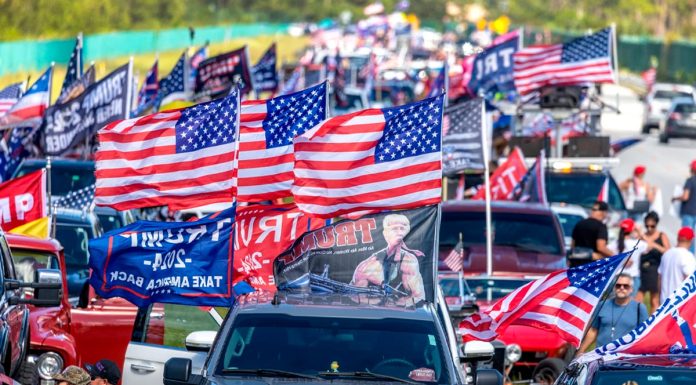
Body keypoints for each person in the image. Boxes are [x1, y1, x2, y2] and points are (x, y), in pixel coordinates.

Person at [351, 214, 426, 304]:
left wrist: (396, 305)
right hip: (372, 314)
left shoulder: (410, 261)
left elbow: (418, 296)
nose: (399, 233)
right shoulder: (367, 265)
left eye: (402, 229)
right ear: (385, 234)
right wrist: (380, 303)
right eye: (394, 229)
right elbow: (355, 298)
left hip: (402, 315)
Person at [578, 273, 648, 353]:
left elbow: (644, 335)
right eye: (618, 285)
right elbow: (593, 331)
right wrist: (581, 350)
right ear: (614, 287)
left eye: (626, 286)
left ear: (631, 289)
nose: (622, 288)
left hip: (625, 357)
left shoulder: (639, 308)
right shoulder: (602, 305)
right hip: (601, 356)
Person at [639, 211, 671, 312]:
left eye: (652, 226)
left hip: (655, 269)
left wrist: (654, 245)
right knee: (638, 300)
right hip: (643, 269)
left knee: (654, 299)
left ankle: (653, 322)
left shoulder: (661, 235)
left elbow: (668, 251)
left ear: (656, 224)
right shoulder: (642, 236)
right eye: (647, 226)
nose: (649, 228)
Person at [608, 218, 647, 300]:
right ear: (632, 229)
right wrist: (639, 232)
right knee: (628, 305)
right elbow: (649, 245)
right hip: (632, 278)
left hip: (616, 277)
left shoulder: (613, 244)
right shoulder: (638, 244)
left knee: (614, 302)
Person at [658, 226, 696, 303]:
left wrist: (660, 298)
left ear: (678, 238)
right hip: (679, 303)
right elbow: (689, 281)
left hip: (664, 302)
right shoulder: (688, 256)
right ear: (691, 240)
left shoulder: (667, 254)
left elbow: (659, 279)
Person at [570, 201, 614, 267]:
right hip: (591, 265)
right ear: (604, 212)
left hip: (576, 263)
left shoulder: (580, 224)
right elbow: (601, 247)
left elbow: (573, 245)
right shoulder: (601, 226)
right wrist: (616, 256)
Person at [672, 160, 696, 254]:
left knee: (685, 236)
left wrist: (675, 198)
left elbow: (685, 196)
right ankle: (691, 255)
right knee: (692, 236)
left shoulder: (690, 180)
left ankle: (685, 254)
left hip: (688, 212)